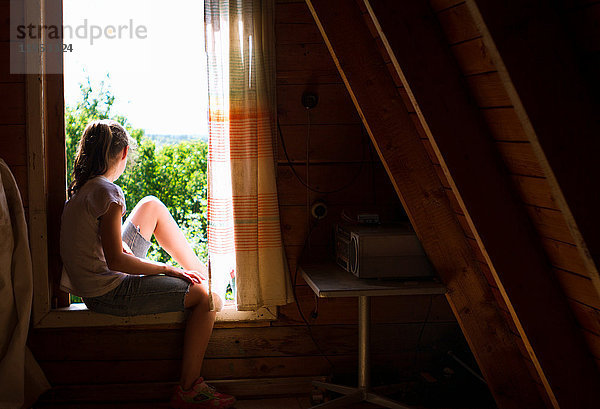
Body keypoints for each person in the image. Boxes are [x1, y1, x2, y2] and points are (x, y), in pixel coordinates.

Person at [59, 119, 235, 409]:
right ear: (124, 153)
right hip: (108, 292)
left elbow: (102, 245)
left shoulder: (83, 191)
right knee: (207, 299)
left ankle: (204, 274)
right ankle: (189, 389)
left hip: (93, 285)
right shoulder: (109, 193)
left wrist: (133, 252)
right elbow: (116, 260)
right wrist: (167, 268)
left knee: (150, 205)